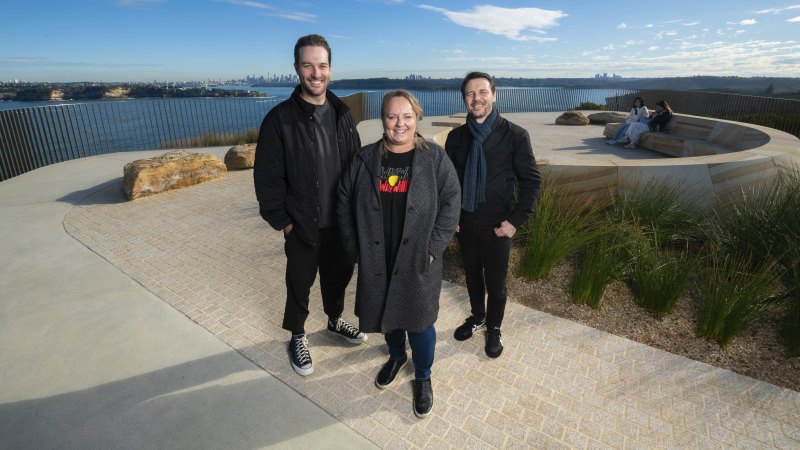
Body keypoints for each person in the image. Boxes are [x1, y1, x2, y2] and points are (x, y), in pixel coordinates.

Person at [338, 90, 460, 418]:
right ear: (383, 119)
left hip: (419, 261)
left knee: (419, 324)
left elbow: (452, 200)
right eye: (393, 116)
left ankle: (423, 376)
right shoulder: (364, 160)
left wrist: (434, 248)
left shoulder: (434, 159)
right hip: (378, 258)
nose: (400, 123)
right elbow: (343, 202)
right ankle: (396, 356)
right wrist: (355, 249)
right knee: (387, 319)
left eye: (407, 116)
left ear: (416, 118)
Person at [253, 34, 367, 377]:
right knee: (299, 282)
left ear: (330, 68)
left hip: (341, 222)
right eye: (308, 65)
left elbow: (356, 163)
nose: (316, 73)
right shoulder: (280, 119)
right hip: (302, 223)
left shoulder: (342, 113)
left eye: (322, 65)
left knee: (339, 276)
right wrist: (284, 221)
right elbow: (267, 178)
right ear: (296, 69)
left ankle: (334, 321)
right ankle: (298, 336)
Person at [445, 72, 542, 358]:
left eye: (482, 92)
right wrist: (452, 218)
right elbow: (448, 184)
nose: (477, 98)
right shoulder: (456, 138)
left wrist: (515, 221)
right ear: (464, 98)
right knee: (472, 275)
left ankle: (495, 327)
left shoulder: (514, 135)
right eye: (470, 94)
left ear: (494, 95)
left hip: (498, 226)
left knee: (496, 283)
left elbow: (532, 182)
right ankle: (478, 316)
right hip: (466, 223)